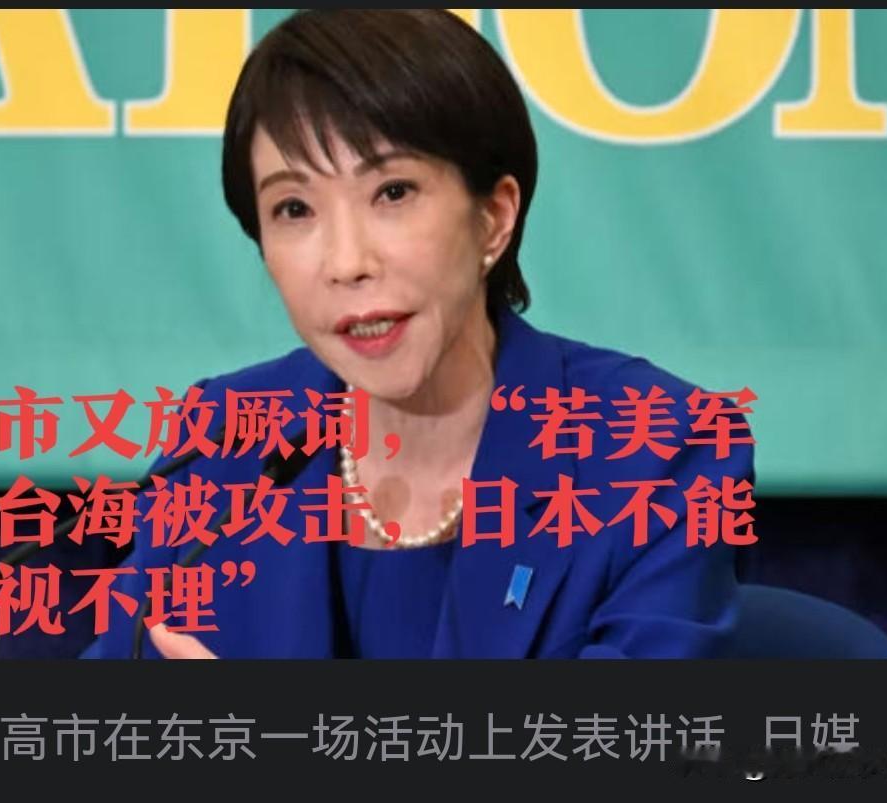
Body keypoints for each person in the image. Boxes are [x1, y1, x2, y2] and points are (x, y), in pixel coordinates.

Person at [82, 9, 753, 660]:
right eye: (294, 208)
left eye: (393, 193)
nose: (347, 262)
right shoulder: (226, 439)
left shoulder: (659, 450)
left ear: (493, 218)